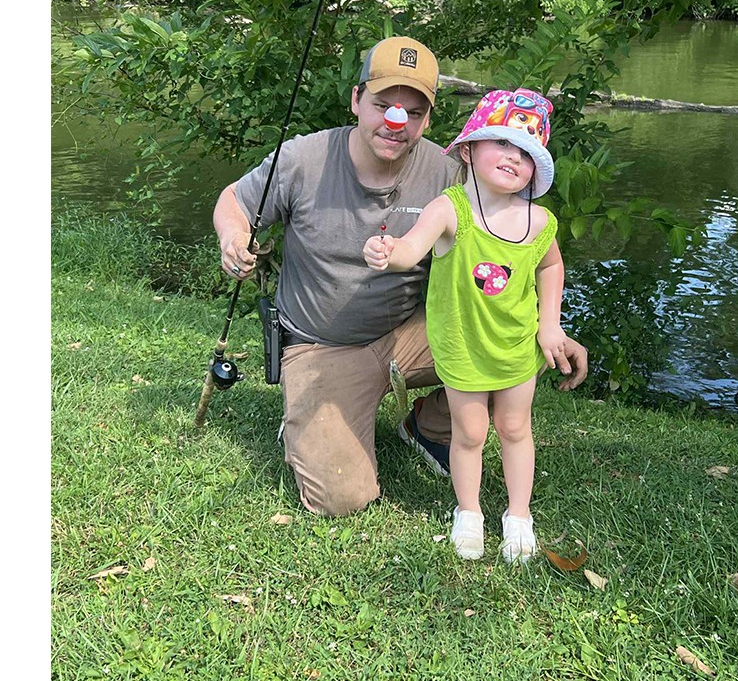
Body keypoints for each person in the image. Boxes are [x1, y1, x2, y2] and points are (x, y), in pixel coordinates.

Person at [213, 37, 588, 516]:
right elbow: (235, 202)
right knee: (341, 497)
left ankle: (429, 425)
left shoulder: (452, 170)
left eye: (413, 112)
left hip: (417, 331)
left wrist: (550, 328)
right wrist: (234, 237)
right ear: (355, 99)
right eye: (383, 105)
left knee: (516, 348)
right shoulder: (302, 159)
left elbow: (516, 250)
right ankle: (309, 408)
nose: (396, 122)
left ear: (428, 119)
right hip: (323, 343)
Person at [363, 88, 565, 563]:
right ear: (471, 149)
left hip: (516, 347)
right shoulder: (449, 208)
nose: (514, 158)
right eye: (503, 144)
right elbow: (411, 249)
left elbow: (550, 268)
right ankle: (469, 512)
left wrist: (550, 326)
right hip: (462, 347)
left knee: (516, 429)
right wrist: (388, 254)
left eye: (527, 153)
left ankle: (519, 515)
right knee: (470, 433)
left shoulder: (540, 221)